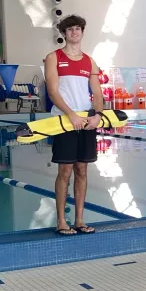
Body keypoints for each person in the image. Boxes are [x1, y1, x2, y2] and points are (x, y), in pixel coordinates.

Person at [44, 14, 104, 235]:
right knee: (65, 171)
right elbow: (53, 91)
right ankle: (61, 220)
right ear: (64, 33)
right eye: (69, 29)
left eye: (77, 29)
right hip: (64, 121)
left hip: (86, 121)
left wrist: (97, 114)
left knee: (82, 170)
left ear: (82, 32)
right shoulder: (54, 57)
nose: (74, 32)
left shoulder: (90, 61)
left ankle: (79, 220)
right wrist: (70, 114)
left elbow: (97, 92)